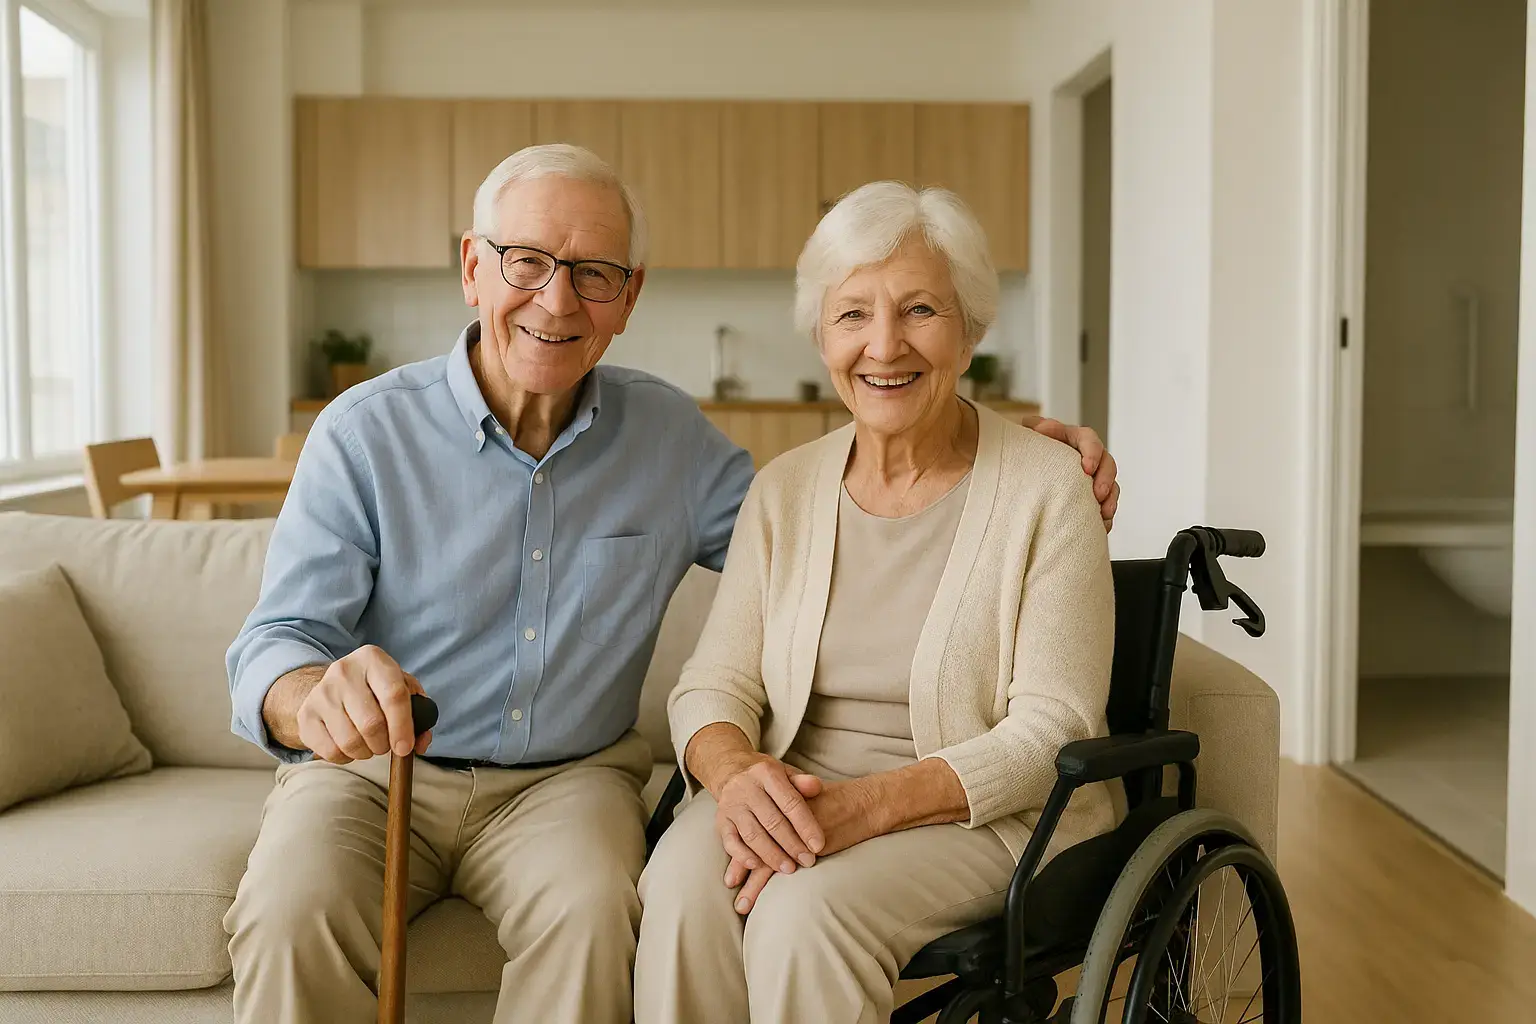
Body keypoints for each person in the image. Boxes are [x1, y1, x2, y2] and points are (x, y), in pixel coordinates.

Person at [223, 146, 1118, 1024]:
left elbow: (864, 530)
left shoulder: (674, 442)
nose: (557, 299)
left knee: (600, 912)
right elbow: (277, 641)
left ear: (629, 296)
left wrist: (1014, 447)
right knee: (289, 912)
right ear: (472, 267)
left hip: (562, 785)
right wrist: (312, 698)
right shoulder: (363, 434)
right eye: (527, 262)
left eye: (594, 273)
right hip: (377, 776)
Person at [634, 181, 1120, 1024]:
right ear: (822, 334)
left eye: (920, 309)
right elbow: (712, 684)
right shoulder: (784, 489)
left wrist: (865, 810)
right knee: (678, 887)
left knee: (801, 915)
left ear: (970, 329)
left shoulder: (1048, 488)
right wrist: (737, 772)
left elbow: (1055, 732)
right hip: (799, 793)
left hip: (985, 815)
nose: (883, 345)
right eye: (852, 313)